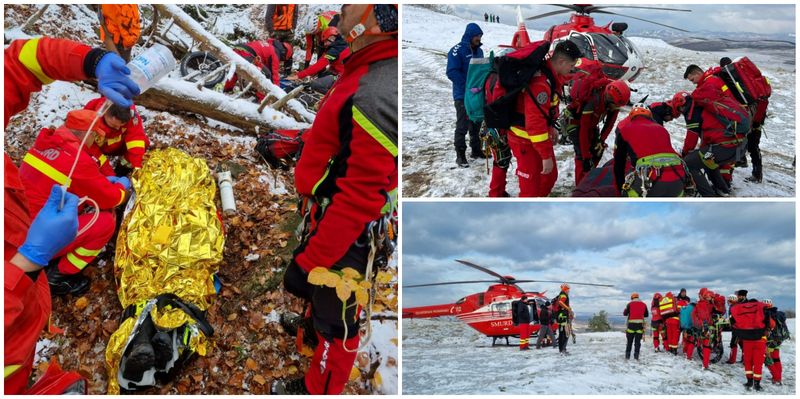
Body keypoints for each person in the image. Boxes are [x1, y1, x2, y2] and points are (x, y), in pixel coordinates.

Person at [272, 4, 397, 395]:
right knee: (321, 296)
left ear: (374, 22)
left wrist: (310, 262)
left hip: (348, 234)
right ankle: (313, 328)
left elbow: (360, 198)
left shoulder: (376, 91)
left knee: (338, 322)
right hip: (328, 215)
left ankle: (318, 387)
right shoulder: (361, 66)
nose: (343, 6)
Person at [5, 36, 139, 394]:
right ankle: (64, 273)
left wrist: (90, 61)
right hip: (26, 252)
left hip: (25, 227)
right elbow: (107, 194)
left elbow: (17, 65)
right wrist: (123, 183)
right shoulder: (79, 156)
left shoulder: (51, 138)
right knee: (105, 220)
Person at [19, 109, 131, 296]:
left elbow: (73, 180)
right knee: (105, 222)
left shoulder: (46, 142)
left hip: (16, 224)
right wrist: (121, 186)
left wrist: (101, 181)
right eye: (95, 136)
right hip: (34, 240)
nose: (95, 141)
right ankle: (58, 277)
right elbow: (111, 199)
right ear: (90, 134)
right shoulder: (77, 161)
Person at [509, 41, 581, 196]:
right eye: (571, 65)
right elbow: (535, 124)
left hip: (536, 138)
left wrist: (551, 127)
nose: (572, 69)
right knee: (530, 190)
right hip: (524, 140)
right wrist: (545, 155)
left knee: (549, 177)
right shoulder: (540, 84)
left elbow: (547, 110)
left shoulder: (551, 77)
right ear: (561, 62)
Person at [671, 90, 747, 197]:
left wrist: (684, 155)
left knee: (689, 162)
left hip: (726, 147)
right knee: (706, 158)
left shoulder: (693, 113)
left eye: (679, 109)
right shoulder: (704, 107)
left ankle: (709, 196)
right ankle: (722, 190)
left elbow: (690, 141)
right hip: (740, 146)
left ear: (681, 106)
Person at [612, 104, 689, 197]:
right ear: (650, 116)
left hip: (651, 180)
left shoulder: (625, 129)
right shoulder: (662, 130)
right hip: (679, 181)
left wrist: (620, 190)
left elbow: (618, 166)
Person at [567, 78, 629, 185]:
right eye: (616, 105)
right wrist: (586, 157)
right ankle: (580, 187)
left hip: (591, 125)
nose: (617, 108)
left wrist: (601, 141)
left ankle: (588, 178)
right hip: (576, 124)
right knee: (582, 156)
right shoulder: (593, 100)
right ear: (610, 99)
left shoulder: (614, 103)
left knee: (597, 151)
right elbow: (583, 131)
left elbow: (609, 124)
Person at [447, 23, 484, 166]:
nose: (479, 38)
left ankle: (476, 150)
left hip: (476, 96)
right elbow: (452, 72)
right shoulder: (457, 51)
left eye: (480, 36)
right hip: (462, 95)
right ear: (470, 35)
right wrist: (467, 87)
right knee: (462, 125)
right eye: (477, 36)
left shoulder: (479, 52)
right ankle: (460, 155)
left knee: (476, 123)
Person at [83, 97, 149, 175]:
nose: (118, 128)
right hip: (98, 146)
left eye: (121, 125)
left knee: (143, 143)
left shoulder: (131, 115)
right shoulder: (89, 114)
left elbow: (136, 138)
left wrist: (137, 166)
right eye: (113, 126)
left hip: (118, 145)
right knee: (87, 159)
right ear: (105, 113)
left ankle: (122, 169)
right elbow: (90, 148)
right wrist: (109, 173)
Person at [730, 293, 773, 391]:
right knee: (758, 363)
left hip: (746, 340)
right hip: (760, 340)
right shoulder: (761, 308)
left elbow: (732, 322)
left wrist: (739, 332)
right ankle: (757, 384)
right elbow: (770, 324)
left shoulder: (741, 309)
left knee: (748, 361)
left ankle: (749, 382)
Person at [288, 27, 350, 94]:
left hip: (344, 77)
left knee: (315, 84)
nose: (325, 44)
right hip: (344, 74)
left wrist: (298, 76)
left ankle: (336, 96)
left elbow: (318, 65)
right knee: (322, 76)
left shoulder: (334, 51)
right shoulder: (342, 45)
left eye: (326, 41)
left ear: (332, 38)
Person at [689, 289, 715, 369]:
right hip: (707, 328)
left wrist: (698, 323)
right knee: (706, 345)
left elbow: (693, 315)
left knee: (693, 340)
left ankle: (688, 356)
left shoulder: (698, 305)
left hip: (698, 327)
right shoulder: (709, 304)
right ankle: (705, 364)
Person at [763, 299, 784, 385]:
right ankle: (778, 376)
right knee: (776, 358)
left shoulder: (766, 314)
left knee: (767, 359)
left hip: (770, 341)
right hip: (779, 339)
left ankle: (776, 378)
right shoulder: (778, 313)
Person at [623, 292, 648, 360]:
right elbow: (646, 315)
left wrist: (627, 310)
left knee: (629, 342)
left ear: (632, 298)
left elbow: (625, 313)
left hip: (631, 326)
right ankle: (636, 357)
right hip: (639, 326)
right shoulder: (644, 304)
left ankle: (627, 356)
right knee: (637, 343)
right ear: (638, 297)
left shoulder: (629, 304)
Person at [555, 283, 573, 355]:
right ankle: (563, 350)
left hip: (561, 317)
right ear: (565, 289)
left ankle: (561, 349)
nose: (569, 291)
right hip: (564, 317)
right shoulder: (563, 294)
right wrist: (568, 309)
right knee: (566, 334)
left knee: (562, 334)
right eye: (568, 289)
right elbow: (560, 302)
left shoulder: (561, 294)